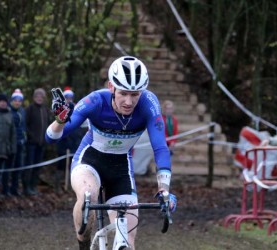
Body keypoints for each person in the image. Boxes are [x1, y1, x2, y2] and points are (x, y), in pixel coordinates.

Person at [45, 56, 177, 250]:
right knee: (88, 196)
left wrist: (164, 189)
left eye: (135, 95)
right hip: (90, 160)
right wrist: (59, 120)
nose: (129, 101)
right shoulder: (95, 101)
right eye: (123, 93)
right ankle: (83, 244)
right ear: (111, 86)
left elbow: (160, 147)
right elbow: (51, 137)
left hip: (121, 167)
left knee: (128, 242)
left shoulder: (149, 103)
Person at [54, 86, 84, 192]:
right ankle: (58, 186)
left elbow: (82, 124)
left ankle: (71, 187)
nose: (69, 99)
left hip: (75, 143)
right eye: (67, 97)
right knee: (61, 166)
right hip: (63, 142)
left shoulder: (77, 108)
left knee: (73, 166)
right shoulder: (60, 108)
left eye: (70, 97)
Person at [23, 88, 51, 196]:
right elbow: (25, 125)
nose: (39, 98)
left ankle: (33, 186)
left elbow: (48, 125)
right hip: (31, 143)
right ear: (34, 97)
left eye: (41, 96)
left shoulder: (45, 110)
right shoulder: (29, 109)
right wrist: (31, 136)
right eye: (37, 96)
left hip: (41, 143)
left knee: (38, 166)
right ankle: (27, 187)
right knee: (29, 166)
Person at [2, 89, 26, 196]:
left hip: (21, 143)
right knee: (8, 167)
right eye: (15, 100)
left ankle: (14, 189)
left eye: (19, 101)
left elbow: (23, 126)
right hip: (10, 144)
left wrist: (24, 137)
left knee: (18, 167)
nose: (17, 102)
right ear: (11, 100)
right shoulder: (7, 111)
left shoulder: (22, 111)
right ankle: (5, 189)